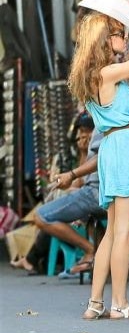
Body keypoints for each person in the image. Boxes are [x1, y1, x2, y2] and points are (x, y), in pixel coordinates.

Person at [68, 0, 129, 320]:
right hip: (123, 148)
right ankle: (120, 304)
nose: (123, 35)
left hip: (115, 147)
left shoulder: (101, 75)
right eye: (119, 32)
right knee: (123, 230)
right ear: (106, 39)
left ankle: (96, 303)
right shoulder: (107, 74)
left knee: (112, 230)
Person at [11, 115, 103, 276]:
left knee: (42, 216)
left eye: (85, 131)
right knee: (66, 204)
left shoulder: (103, 125)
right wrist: (82, 153)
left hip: (97, 193)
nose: (82, 136)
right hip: (102, 192)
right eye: (80, 131)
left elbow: (94, 166)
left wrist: (72, 175)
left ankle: (91, 251)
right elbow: (83, 180)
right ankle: (99, 254)